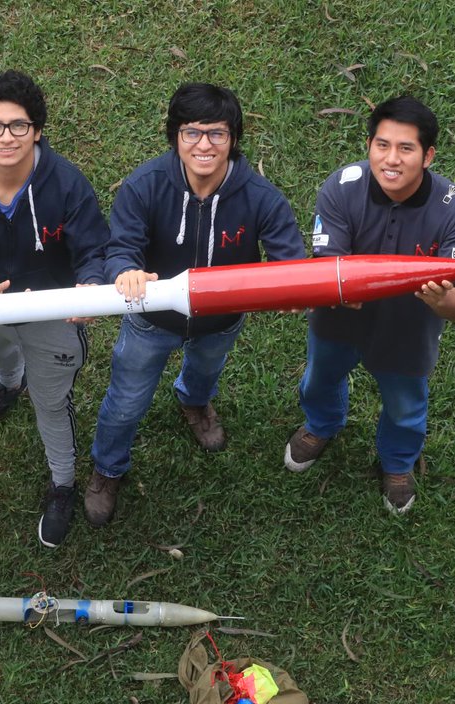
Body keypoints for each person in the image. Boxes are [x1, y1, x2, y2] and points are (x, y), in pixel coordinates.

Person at [84, 82, 305, 526]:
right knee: (125, 403)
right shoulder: (144, 186)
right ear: (175, 136)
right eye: (192, 133)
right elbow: (121, 247)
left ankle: (194, 402)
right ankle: (108, 468)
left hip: (220, 323)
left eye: (217, 133)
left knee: (205, 374)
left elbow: (291, 262)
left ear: (233, 139)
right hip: (149, 320)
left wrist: (293, 289)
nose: (204, 145)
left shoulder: (262, 198)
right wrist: (125, 270)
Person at [0, 70, 109, 547]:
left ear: (37, 130)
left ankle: (63, 483)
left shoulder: (68, 184)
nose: (6, 137)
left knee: (51, 403)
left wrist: (91, 287)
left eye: (19, 125)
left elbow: (94, 248)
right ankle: (10, 384)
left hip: (54, 314)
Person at [284, 95, 455, 513]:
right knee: (319, 380)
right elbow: (328, 267)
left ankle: (397, 463)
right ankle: (321, 425)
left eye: (406, 148)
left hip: (407, 333)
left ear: (428, 156)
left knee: (405, 406)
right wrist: (338, 289)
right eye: (382, 145)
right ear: (369, 145)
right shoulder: (341, 187)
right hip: (337, 322)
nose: (391, 159)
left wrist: (442, 300)